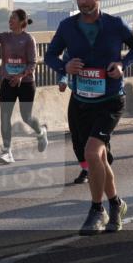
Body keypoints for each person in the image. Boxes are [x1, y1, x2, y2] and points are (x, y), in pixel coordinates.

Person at [44, 0, 133, 235]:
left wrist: (123, 65)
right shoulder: (67, 26)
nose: (83, 1)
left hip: (110, 100)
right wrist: (63, 67)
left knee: (92, 152)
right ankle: (116, 204)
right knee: (96, 157)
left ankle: (96, 210)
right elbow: (49, 55)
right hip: (80, 102)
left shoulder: (115, 24)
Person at [0, 8, 48, 164]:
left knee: (26, 116)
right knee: (5, 116)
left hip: (25, 83)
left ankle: (41, 132)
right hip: (7, 82)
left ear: (21, 22)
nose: (9, 20)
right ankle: (7, 151)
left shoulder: (28, 39)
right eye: (9, 18)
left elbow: (33, 63)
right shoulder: (4, 37)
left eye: (13, 18)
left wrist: (20, 76)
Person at [57, 55, 90, 184]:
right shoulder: (73, 41)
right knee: (76, 134)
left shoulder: (103, 40)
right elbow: (64, 65)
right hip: (77, 94)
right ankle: (86, 168)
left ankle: (101, 163)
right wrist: (63, 80)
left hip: (100, 97)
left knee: (95, 135)